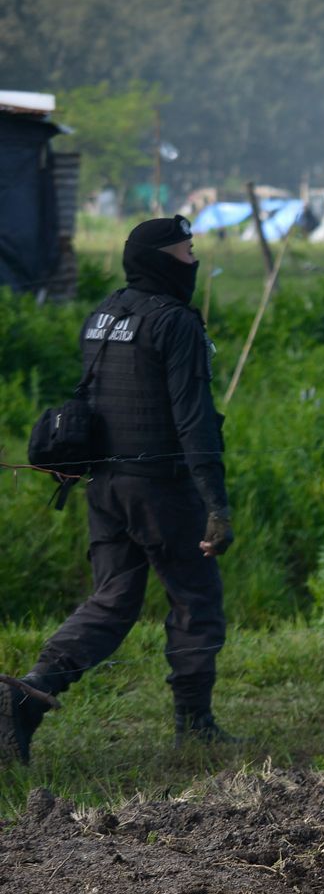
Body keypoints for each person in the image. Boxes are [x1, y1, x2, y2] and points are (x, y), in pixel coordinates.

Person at [2, 216, 234, 764]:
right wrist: (216, 505)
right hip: (161, 488)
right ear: (160, 260)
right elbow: (193, 420)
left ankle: (26, 697)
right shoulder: (175, 322)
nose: (194, 261)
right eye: (186, 252)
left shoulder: (105, 312)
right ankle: (195, 725)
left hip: (104, 486)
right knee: (196, 599)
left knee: (112, 599)